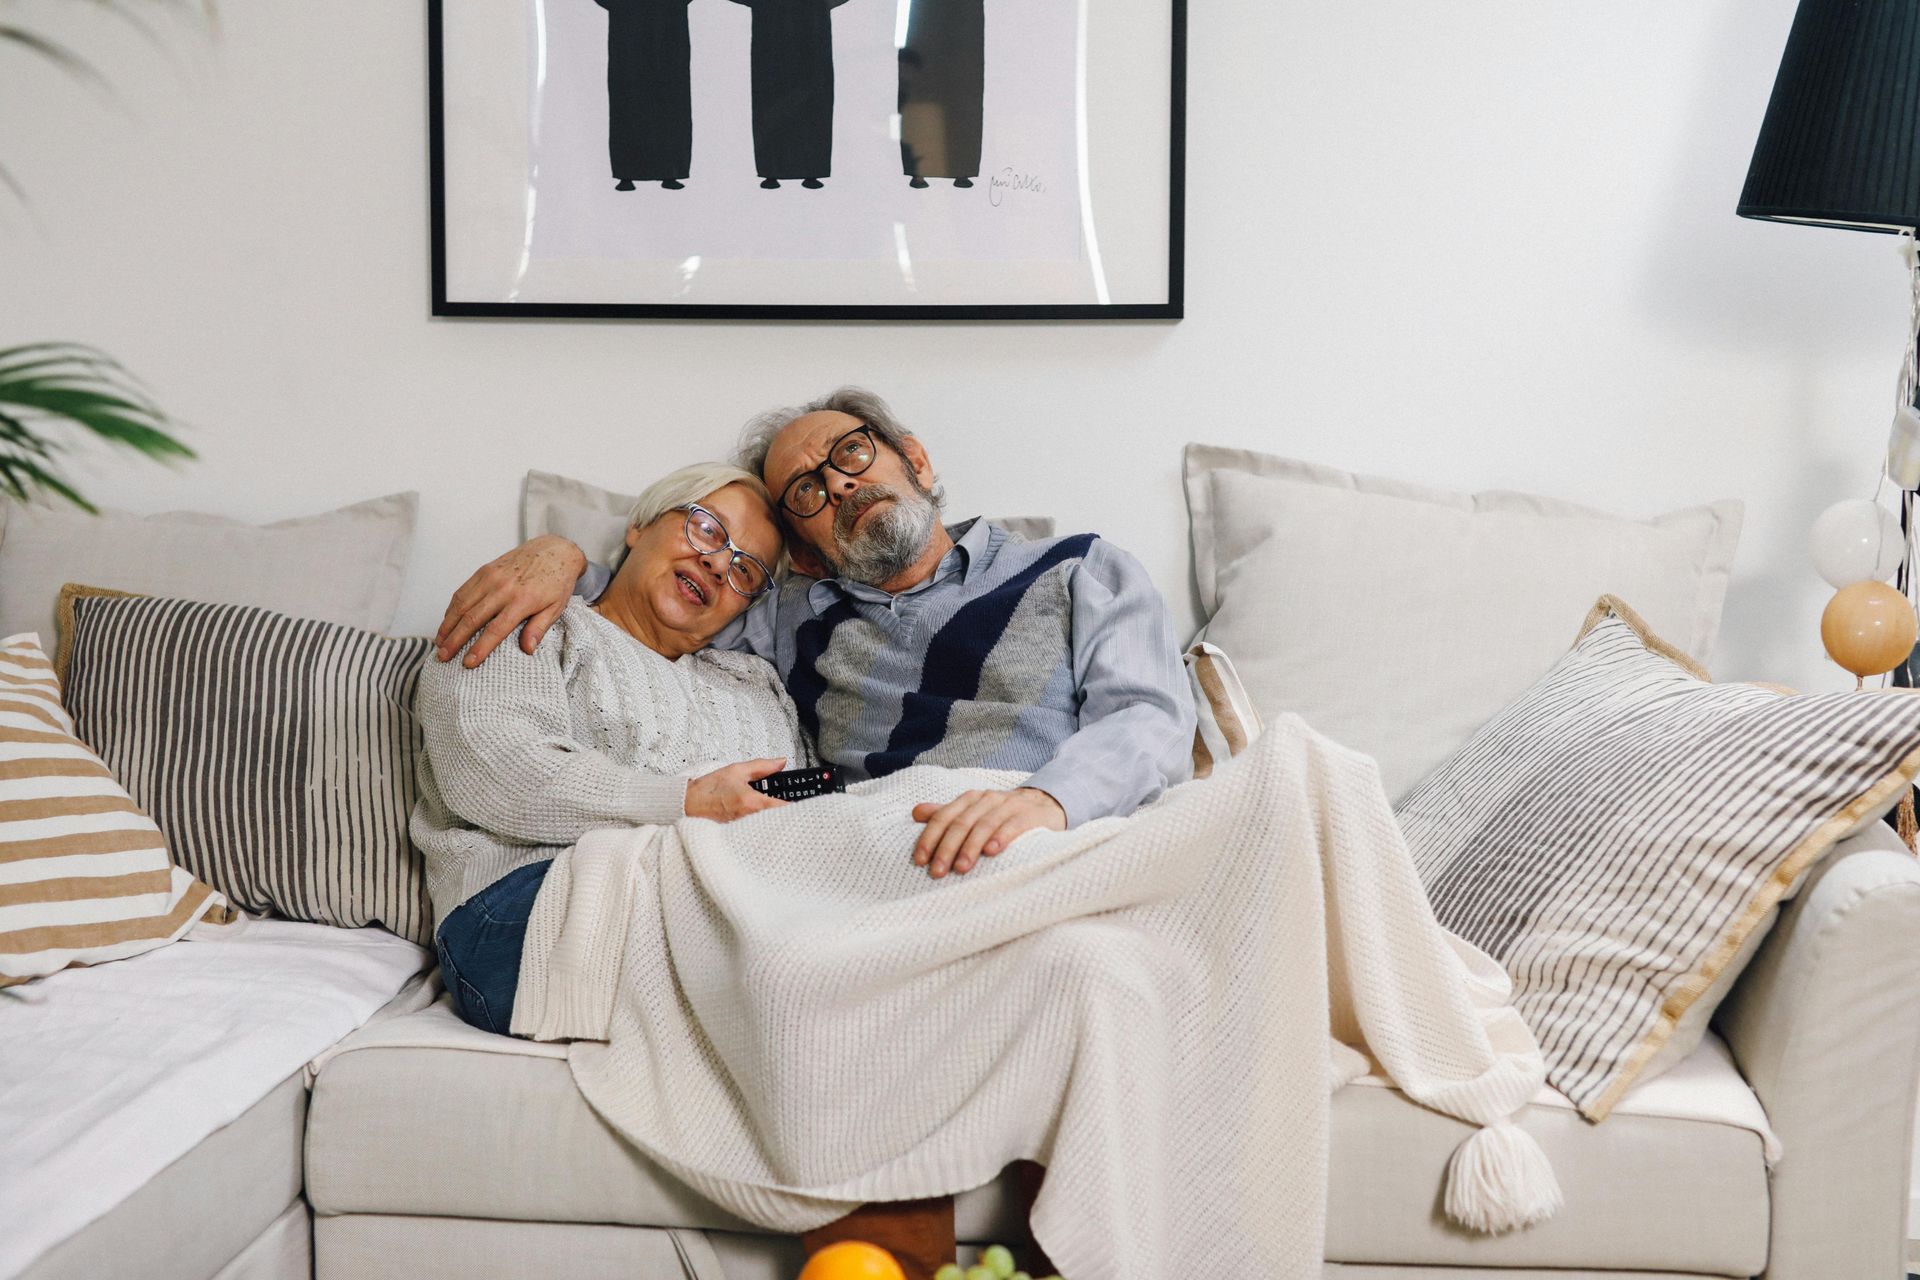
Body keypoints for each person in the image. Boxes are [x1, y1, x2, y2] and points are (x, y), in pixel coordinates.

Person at [435, 387, 1195, 883]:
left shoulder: (1080, 569)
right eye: (808, 491)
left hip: (1064, 834)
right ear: (801, 550)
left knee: (1298, 776)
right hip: (908, 864)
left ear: (916, 460)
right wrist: (557, 556)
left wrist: (1045, 802)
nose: (837, 483)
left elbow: (1151, 721)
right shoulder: (785, 617)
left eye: (852, 454)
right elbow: (647, 613)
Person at [414, 463, 810, 1036]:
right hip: (526, 908)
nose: (720, 564)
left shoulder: (758, 687)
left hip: (733, 902)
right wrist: (689, 801)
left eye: (747, 570)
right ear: (641, 525)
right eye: (707, 529)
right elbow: (490, 771)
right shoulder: (537, 613)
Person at [596, 0, 696, 191]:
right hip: (630, 32)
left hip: (667, 31)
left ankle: (669, 171)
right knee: (629, 100)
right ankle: (628, 173)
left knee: (669, 101)